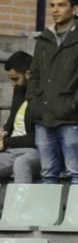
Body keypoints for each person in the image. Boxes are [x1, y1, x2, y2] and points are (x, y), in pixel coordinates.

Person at [28, 0, 78, 186]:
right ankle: (46, 218)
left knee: (76, 173)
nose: (55, 10)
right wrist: (34, 102)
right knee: (48, 173)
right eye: (52, 5)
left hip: (72, 117)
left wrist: (72, 104)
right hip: (44, 117)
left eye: (61, 5)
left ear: (74, 9)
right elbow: (35, 75)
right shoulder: (43, 39)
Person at [0, 52, 41, 183]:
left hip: (34, 152)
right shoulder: (19, 91)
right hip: (11, 150)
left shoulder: (41, 97)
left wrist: (6, 142)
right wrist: (3, 133)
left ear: (28, 74)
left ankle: (22, 203)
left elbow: (38, 138)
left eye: (15, 79)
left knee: (21, 163)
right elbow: (12, 119)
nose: (13, 84)